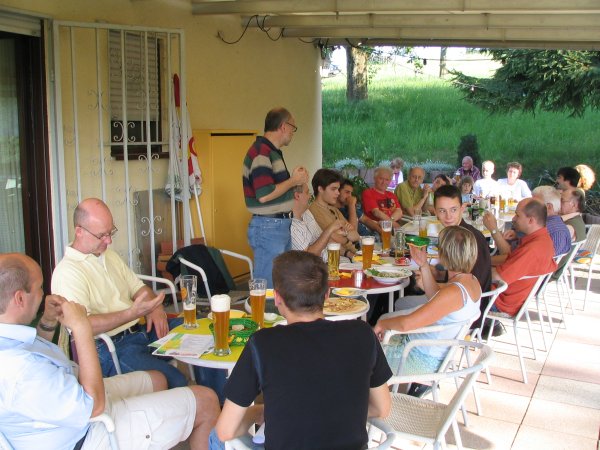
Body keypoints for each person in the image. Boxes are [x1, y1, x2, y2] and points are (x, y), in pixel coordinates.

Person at [0, 253, 219, 450]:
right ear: (20, 298)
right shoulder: (20, 370)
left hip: (74, 394)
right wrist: (81, 327)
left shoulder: (9, 339)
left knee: (158, 380)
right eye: (39, 288)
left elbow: (39, 351)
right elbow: (93, 406)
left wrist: (48, 320)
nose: (43, 293)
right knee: (207, 400)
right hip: (86, 434)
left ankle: (156, 431)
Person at [211, 251, 392, 449]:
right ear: (327, 295)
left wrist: (259, 412)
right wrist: (333, 411)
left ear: (277, 298)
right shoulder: (363, 334)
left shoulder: (262, 344)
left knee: (214, 436)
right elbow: (382, 408)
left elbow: (225, 431)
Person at [51, 198, 200, 389]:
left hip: (141, 330)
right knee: (175, 380)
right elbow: (84, 325)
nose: (109, 240)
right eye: (102, 235)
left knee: (201, 334)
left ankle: (220, 400)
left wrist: (154, 308)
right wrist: (132, 313)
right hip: (110, 347)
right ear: (79, 231)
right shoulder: (67, 272)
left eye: (111, 232)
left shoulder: (108, 255)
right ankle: (200, 405)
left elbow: (139, 289)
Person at [374, 226, 482, 377]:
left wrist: (381, 325)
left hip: (418, 358)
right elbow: (436, 297)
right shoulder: (471, 282)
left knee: (362, 349)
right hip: (432, 353)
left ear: (443, 255)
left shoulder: (454, 292)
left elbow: (407, 324)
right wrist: (424, 265)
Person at [242, 107, 309, 287]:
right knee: (268, 287)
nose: (293, 133)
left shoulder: (271, 151)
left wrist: (292, 188)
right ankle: (264, 315)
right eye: (293, 128)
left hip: (277, 225)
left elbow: (274, 190)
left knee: (280, 285)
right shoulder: (261, 152)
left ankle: (276, 315)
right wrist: (293, 180)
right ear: (283, 126)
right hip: (269, 226)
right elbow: (264, 195)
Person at [482, 198, 557, 316]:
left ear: (531, 220)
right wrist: (481, 261)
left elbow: (498, 276)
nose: (513, 219)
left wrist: (471, 269)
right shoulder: (543, 239)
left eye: (517, 215)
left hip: (499, 301)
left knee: (453, 282)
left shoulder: (532, 250)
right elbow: (509, 258)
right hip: (510, 296)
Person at [309, 169, 360, 259]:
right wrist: (346, 234)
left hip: (353, 254)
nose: (338, 193)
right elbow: (331, 238)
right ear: (320, 189)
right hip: (338, 257)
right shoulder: (313, 210)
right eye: (333, 189)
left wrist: (343, 233)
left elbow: (355, 235)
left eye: (338, 189)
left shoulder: (334, 209)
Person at [290, 183, 347, 261]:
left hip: (333, 260)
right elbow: (308, 257)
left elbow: (322, 239)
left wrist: (348, 254)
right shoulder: (291, 225)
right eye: (307, 192)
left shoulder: (306, 213)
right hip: (318, 269)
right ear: (297, 196)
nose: (310, 196)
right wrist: (330, 229)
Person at [532, 186, 572, 256]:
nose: (530, 207)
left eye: (534, 204)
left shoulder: (556, 231)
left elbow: (546, 259)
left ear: (549, 207)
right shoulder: (544, 225)